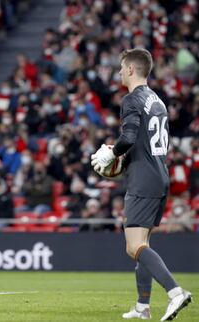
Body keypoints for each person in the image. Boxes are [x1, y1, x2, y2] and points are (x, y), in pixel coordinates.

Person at [91, 48, 192, 321]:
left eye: (123, 68)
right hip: (159, 175)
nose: (120, 72)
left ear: (132, 69)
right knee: (143, 242)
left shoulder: (132, 99)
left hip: (144, 179)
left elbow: (129, 136)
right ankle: (142, 306)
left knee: (133, 246)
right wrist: (122, 163)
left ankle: (175, 293)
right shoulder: (157, 100)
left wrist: (112, 154)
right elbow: (148, 145)